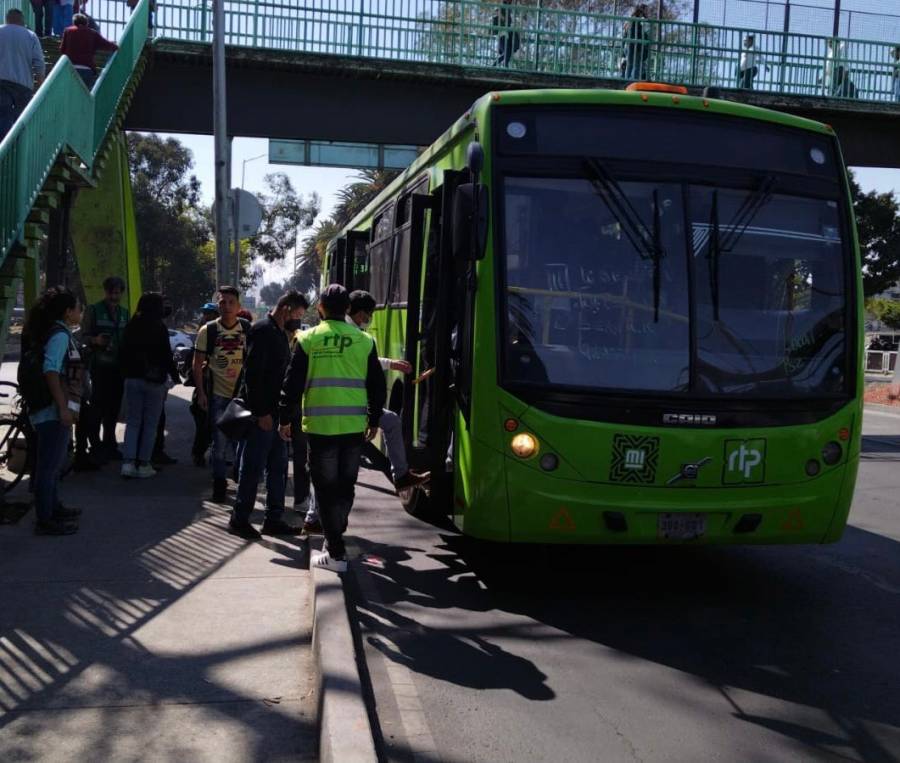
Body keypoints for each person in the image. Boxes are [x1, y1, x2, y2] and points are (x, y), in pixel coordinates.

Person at [278, 284, 386, 572]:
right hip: (353, 427)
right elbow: (377, 385)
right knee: (345, 485)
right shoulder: (365, 341)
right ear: (347, 309)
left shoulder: (308, 338)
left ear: (321, 308)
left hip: (320, 428)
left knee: (325, 489)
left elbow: (292, 383)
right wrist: (374, 419)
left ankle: (335, 553)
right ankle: (337, 531)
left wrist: (284, 419)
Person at [228, 291, 309, 539]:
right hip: (262, 415)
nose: (298, 319)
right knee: (252, 468)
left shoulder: (279, 332)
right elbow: (252, 374)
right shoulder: (263, 330)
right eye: (297, 314)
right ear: (286, 308)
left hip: (276, 414)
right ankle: (239, 518)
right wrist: (261, 412)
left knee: (278, 468)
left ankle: (273, 519)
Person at [347, 290, 430, 490]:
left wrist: (392, 364)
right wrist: (373, 418)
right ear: (360, 314)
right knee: (338, 470)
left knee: (326, 471)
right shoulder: (360, 338)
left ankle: (312, 519)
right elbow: (372, 374)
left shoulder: (331, 333)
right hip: (351, 409)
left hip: (325, 411)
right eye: (369, 315)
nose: (370, 319)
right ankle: (401, 476)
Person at [20, 287, 85, 536]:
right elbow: (51, 371)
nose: (81, 311)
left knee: (54, 464)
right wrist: (62, 408)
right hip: (52, 411)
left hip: (52, 409)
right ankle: (45, 520)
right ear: (69, 312)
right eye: (78, 307)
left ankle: (53, 508)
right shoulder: (59, 336)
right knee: (48, 467)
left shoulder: (58, 332)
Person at [192, 286, 250, 502]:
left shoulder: (246, 328)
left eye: (230, 302)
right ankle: (219, 484)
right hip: (217, 395)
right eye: (222, 302)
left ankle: (240, 479)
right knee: (219, 444)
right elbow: (197, 364)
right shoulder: (208, 330)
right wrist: (201, 393)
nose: (226, 306)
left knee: (241, 443)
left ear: (238, 306)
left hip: (242, 398)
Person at [118, 292, 179, 479]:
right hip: (154, 381)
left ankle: (128, 464)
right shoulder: (159, 327)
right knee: (151, 424)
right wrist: (175, 376)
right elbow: (166, 355)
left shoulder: (131, 325)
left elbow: (122, 352)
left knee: (133, 421)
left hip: (132, 379)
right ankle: (144, 463)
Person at [80, 275, 128, 463]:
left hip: (118, 369)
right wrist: (95, 340)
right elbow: (82, 337)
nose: (114, 296)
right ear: (105, 291)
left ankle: (110, 444)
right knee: (97, 409)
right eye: (111, 292)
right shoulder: (93, 311)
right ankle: (96, 445)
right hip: (98, 368)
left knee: (113, 409)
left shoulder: (125, 313)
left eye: (117, 293)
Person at [0, 9, 46, 140]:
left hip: (1, 81)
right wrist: (40, 83)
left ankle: (4, 147)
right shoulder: (30, 35)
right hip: (23, 84)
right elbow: (39, 63)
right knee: (21, 119)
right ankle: (17, 146)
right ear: (22, 21)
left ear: (7, 19)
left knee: (3, 115)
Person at [188, 301, 219, 467]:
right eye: (205, 313)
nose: (206, 317)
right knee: (203, 425)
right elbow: (193, 364)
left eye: (210, 314)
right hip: (204, 388)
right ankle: (198, 453)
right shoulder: (202, 333)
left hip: (218, 386)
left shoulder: (217, 333)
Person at [59, 13, 117, 89]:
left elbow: (62, 49)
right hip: (87, 68)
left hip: (71, 68)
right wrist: (116, 47)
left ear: (74, 22)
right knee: (85, 95)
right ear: (87, 23)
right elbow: (105, 44)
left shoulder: (68, 31)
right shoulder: (92, 33)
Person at [622, 5, 650, 81]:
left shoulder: (629, 21)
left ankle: (626, 80)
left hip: (629, 46)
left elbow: (624, 35)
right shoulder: (639, 21)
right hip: (635, 46)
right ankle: (632, 81)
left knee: (630, 65)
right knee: (636, 65)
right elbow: (644, 32)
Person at [492, 0, 519, 68]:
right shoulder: (498, 16)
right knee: (507, 51)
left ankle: (497, 65)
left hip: (506, 35)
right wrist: (502, 18)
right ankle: (501, 65)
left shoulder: (508, 12)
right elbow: (494, 30)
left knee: (508, 52)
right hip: (501, 35)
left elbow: (508, 23)